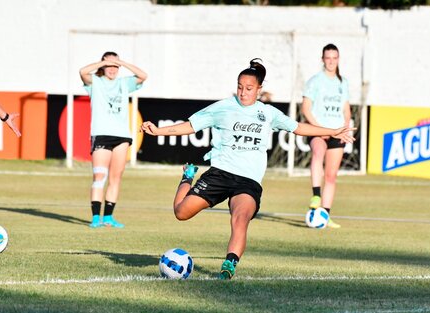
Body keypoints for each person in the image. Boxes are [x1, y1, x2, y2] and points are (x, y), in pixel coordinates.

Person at [141, 58, 355, 279]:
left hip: (248, 181)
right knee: (181, 213)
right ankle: (187, 177)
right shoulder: (223, 107)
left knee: (240, 218)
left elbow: (298, 127)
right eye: (240, 87)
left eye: (249, 88)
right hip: (220, 173)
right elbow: (189, 126)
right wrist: (158, 131)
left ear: (259, 89)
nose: (243, 93)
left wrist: (333, 130)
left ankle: (228, 266)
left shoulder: (268, 113)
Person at [80, 51, 147, 228]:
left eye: (115, 66)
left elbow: (143, 76)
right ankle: (96, 217)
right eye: (109, 65)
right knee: (100, 176)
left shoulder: (124, 83)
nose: (112, 69)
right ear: (103, 66)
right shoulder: (95, 82)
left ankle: (108, 217)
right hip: (101, 134)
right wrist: (102, 63)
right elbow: (83, 72)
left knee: (116, 177)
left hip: (122, 136)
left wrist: (122, 62)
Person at [301, 44, 351, 229]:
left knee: (331, 176)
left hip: (337, 131)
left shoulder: (343, 83)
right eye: (328, 58)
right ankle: (316, 194)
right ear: (322, 59)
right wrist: (318, 128)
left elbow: (346, 109)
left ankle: (325, 215)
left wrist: (345, 128)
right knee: (318, 153)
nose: (331, 61)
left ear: (338, 59)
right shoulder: (315, 81)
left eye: (334, 58)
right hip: (318, 130)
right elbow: (305, 107)